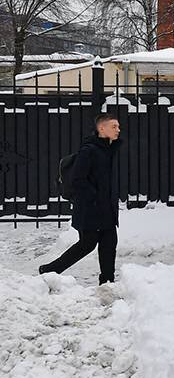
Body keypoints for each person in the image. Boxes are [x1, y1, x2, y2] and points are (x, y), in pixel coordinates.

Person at [39, 114, 124, 285]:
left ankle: (107, 283)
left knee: (109, 244)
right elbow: (78, 179)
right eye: (114, 126)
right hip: (90, 209)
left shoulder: (110, 150)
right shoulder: (89, 151)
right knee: (87, 245)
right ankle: (48, 270)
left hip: (106, 208)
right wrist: (94, 198)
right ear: (102, 128)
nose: (118, 130)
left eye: (118, 126)